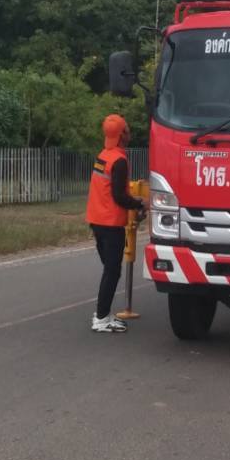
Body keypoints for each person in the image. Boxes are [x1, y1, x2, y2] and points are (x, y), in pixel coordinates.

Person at [86, 113, 145, 334]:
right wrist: (140, 203)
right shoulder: (119, 161)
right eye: (127, 130)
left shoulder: (103, 156)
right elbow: (120, 197)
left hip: (96, 220)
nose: (130, 134)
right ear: (122, 135)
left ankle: (103, 314)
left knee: (109, 269)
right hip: (111, 224)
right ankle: (101, 318)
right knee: (112, 271)